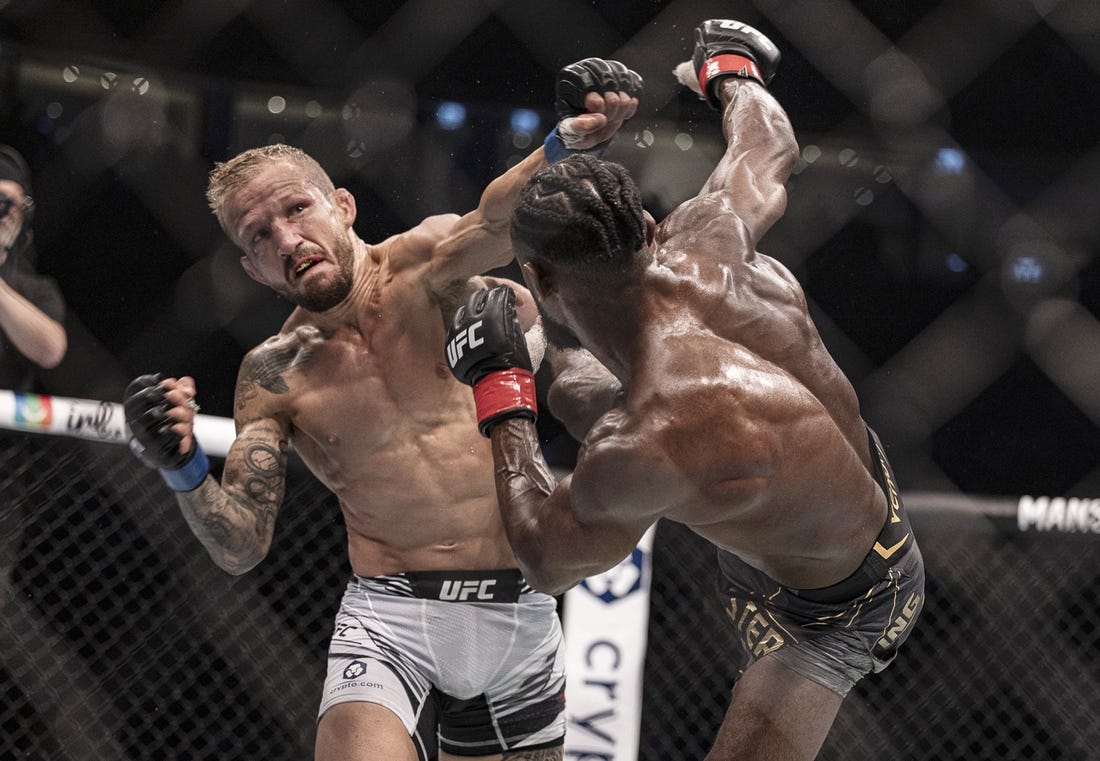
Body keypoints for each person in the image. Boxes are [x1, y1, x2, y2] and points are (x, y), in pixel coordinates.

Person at [121, 58, 640, 761]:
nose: (285, 241)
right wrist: (181, 466)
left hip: (519, 609)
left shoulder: (425, 265)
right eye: (258, 238)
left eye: (295, 210)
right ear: (251, 269)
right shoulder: (275, 373)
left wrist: (567, 143)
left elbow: (495, 216)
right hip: (390, 619)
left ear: (341, 204)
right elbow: (241, 542)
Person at [445, 20, 924, 761]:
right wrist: (728, 71)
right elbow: (769, 146)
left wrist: (501, 388)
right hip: (802, 489)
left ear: (538, 275)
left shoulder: (644, 437)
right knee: (581, 379)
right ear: (642, 224)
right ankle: (533, 347)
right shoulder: (706, 231)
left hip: (843, 603)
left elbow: (546, 556)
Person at [0, 144, 67, 390]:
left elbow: (50, 351)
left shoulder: (35, 287)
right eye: (2, 202)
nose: (10, 215)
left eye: (20, 206)